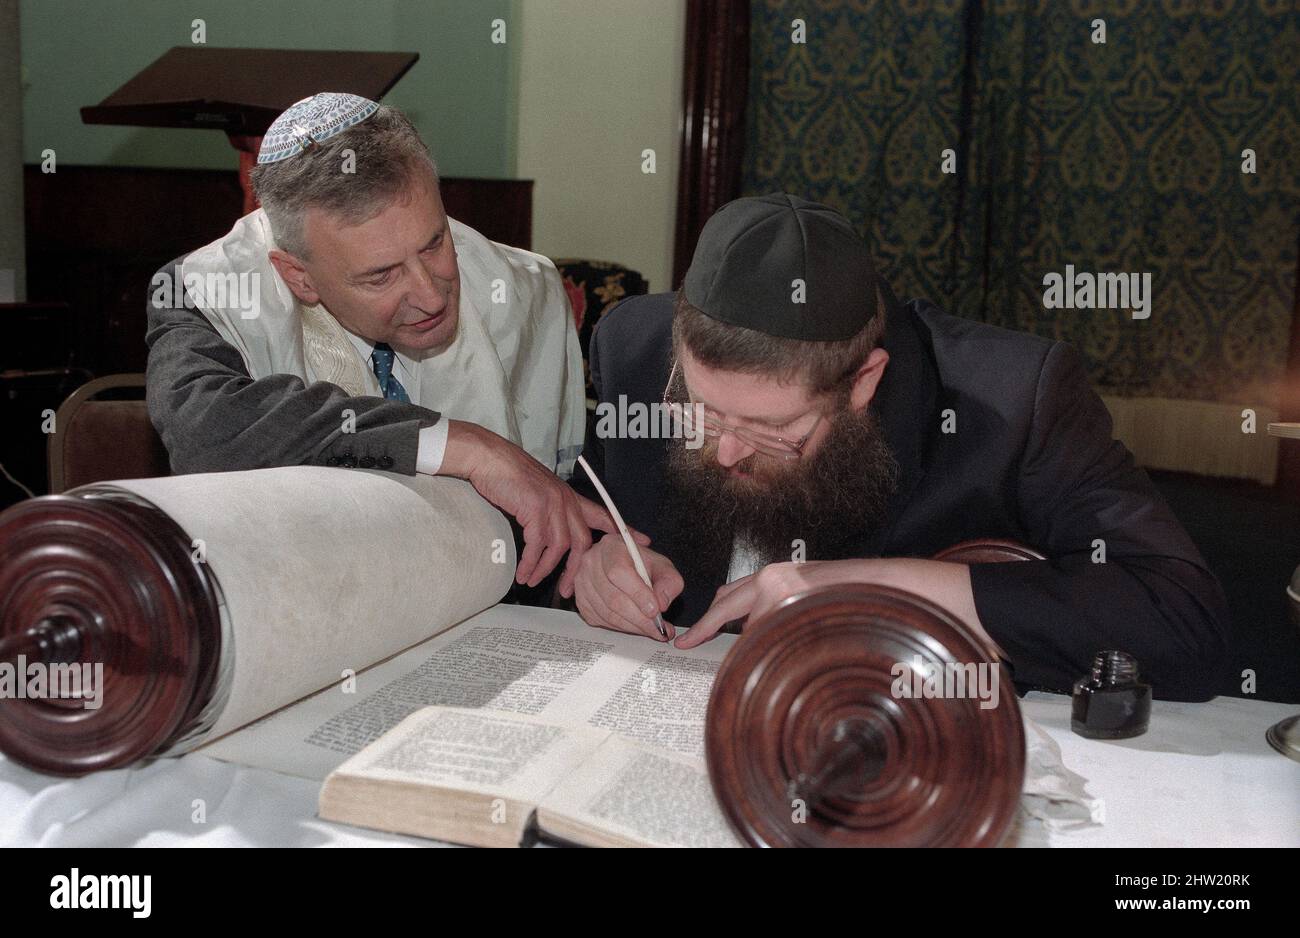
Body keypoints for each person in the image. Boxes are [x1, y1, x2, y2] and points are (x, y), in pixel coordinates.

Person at [571, 193, 1229, 701]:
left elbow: (1182, 624)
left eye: (775, 431)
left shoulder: (1011, 399)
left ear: (864, 381)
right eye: (702, 412)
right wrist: (598, 569)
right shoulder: (635, 346)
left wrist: (865, 586)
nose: (725, 454)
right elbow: (578, 527)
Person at [146, 92, 629, 595]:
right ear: (299, 277)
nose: (430, 294)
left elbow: (567, 489)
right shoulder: (209, 290)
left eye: (435, 243)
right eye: (381, 276)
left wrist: (601, 560)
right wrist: (466, 445)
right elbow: (208, 430)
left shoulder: (525, 289)